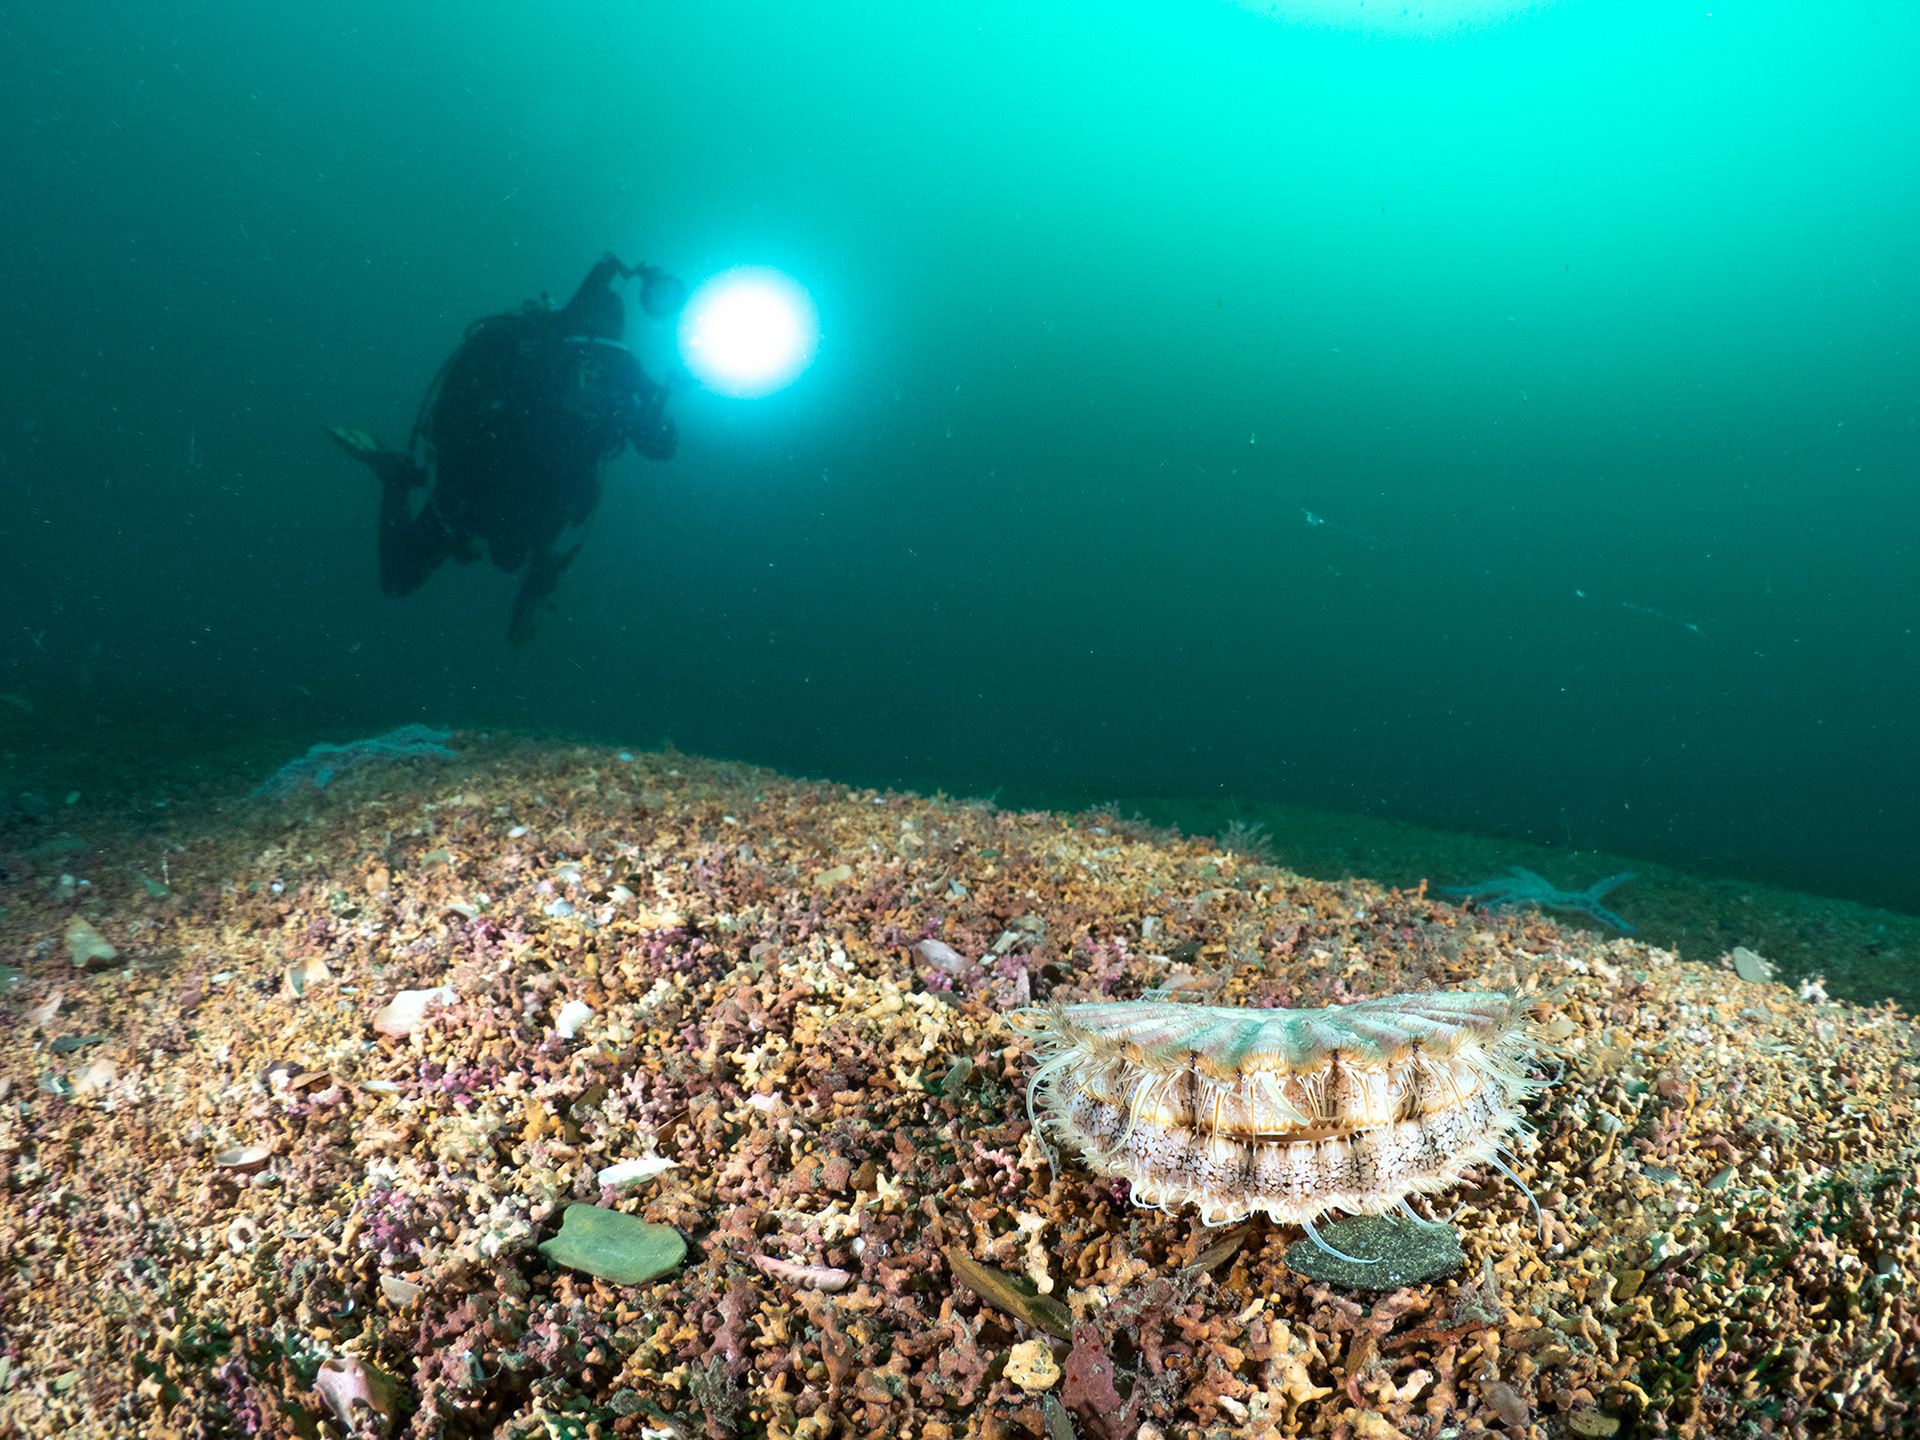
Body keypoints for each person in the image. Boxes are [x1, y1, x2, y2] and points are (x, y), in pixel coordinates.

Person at [328, 253, 686, 644]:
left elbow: (659, 445)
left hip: (521, 501)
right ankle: (397, 478)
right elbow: (465, 409)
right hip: (479, 491)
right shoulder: (530, 351)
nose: (595, 358)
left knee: (494, 560)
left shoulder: (619, 371)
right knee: (414, 576)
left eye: (606, 345)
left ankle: (533, 563)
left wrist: (660, 401)